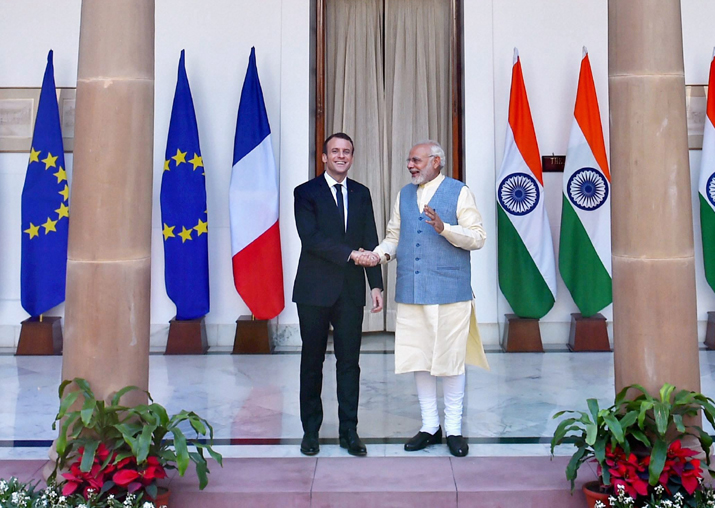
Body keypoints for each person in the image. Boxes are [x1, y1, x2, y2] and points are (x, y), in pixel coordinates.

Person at [356, 140, 489, 457]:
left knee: (451, 360)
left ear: (436, 162)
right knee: (420, 358)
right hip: (411, 291)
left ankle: (454, 429)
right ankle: (430, 426)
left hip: (449, 292)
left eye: (416, 160)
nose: (411, 165)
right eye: (409, 160)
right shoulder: (404, 194)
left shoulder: (459, 191)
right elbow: (394, 235)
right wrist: (378, 256)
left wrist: (446, 228)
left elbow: (478, 237)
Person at [292, 132, 384, 457]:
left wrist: (376, 284)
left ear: (352, 157)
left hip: (350, 292)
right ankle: (311, 432)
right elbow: (311, 238)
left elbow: (370, 237)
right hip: (313, 291)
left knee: (349, 364)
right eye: (335, 151)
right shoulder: (305, 193)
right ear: (324, 157)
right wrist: (351, 255)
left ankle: (350, 432)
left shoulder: (362, 193)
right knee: (312, 362)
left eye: (346, 151)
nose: (341, 156)